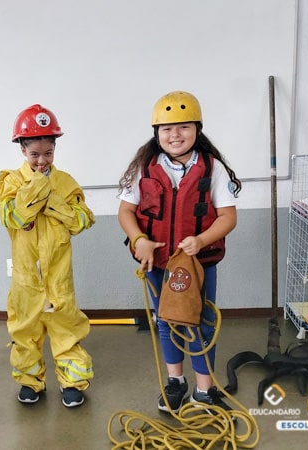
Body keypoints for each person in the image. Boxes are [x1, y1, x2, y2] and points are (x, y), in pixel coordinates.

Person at [117, 91, 242, 415]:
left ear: (197, 130)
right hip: (158, 263)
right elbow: (126, 212)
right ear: (156, 133)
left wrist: (201, 240)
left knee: (201, 323)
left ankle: (204, 390)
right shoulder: (144, 168)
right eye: (167, 129)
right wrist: (139, 240)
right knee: (166, 321)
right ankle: (175, 383)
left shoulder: (212, 169)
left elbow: (228, 217)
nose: (175, 135)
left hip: (199, 264)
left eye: (184, 127)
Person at [0, 104, 95, 408]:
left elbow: (82, 220)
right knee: (25, 330)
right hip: (27, 278)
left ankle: (73, 382)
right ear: (22, 149)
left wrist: (53, 202)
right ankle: (30, 381)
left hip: (59, 275)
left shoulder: (66, 182)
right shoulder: (10, 182)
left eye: (47, 153)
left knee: (66, 328)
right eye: (34, 154)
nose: (41, 161)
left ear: (54, 149)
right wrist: (37, 187)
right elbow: (13, 218)